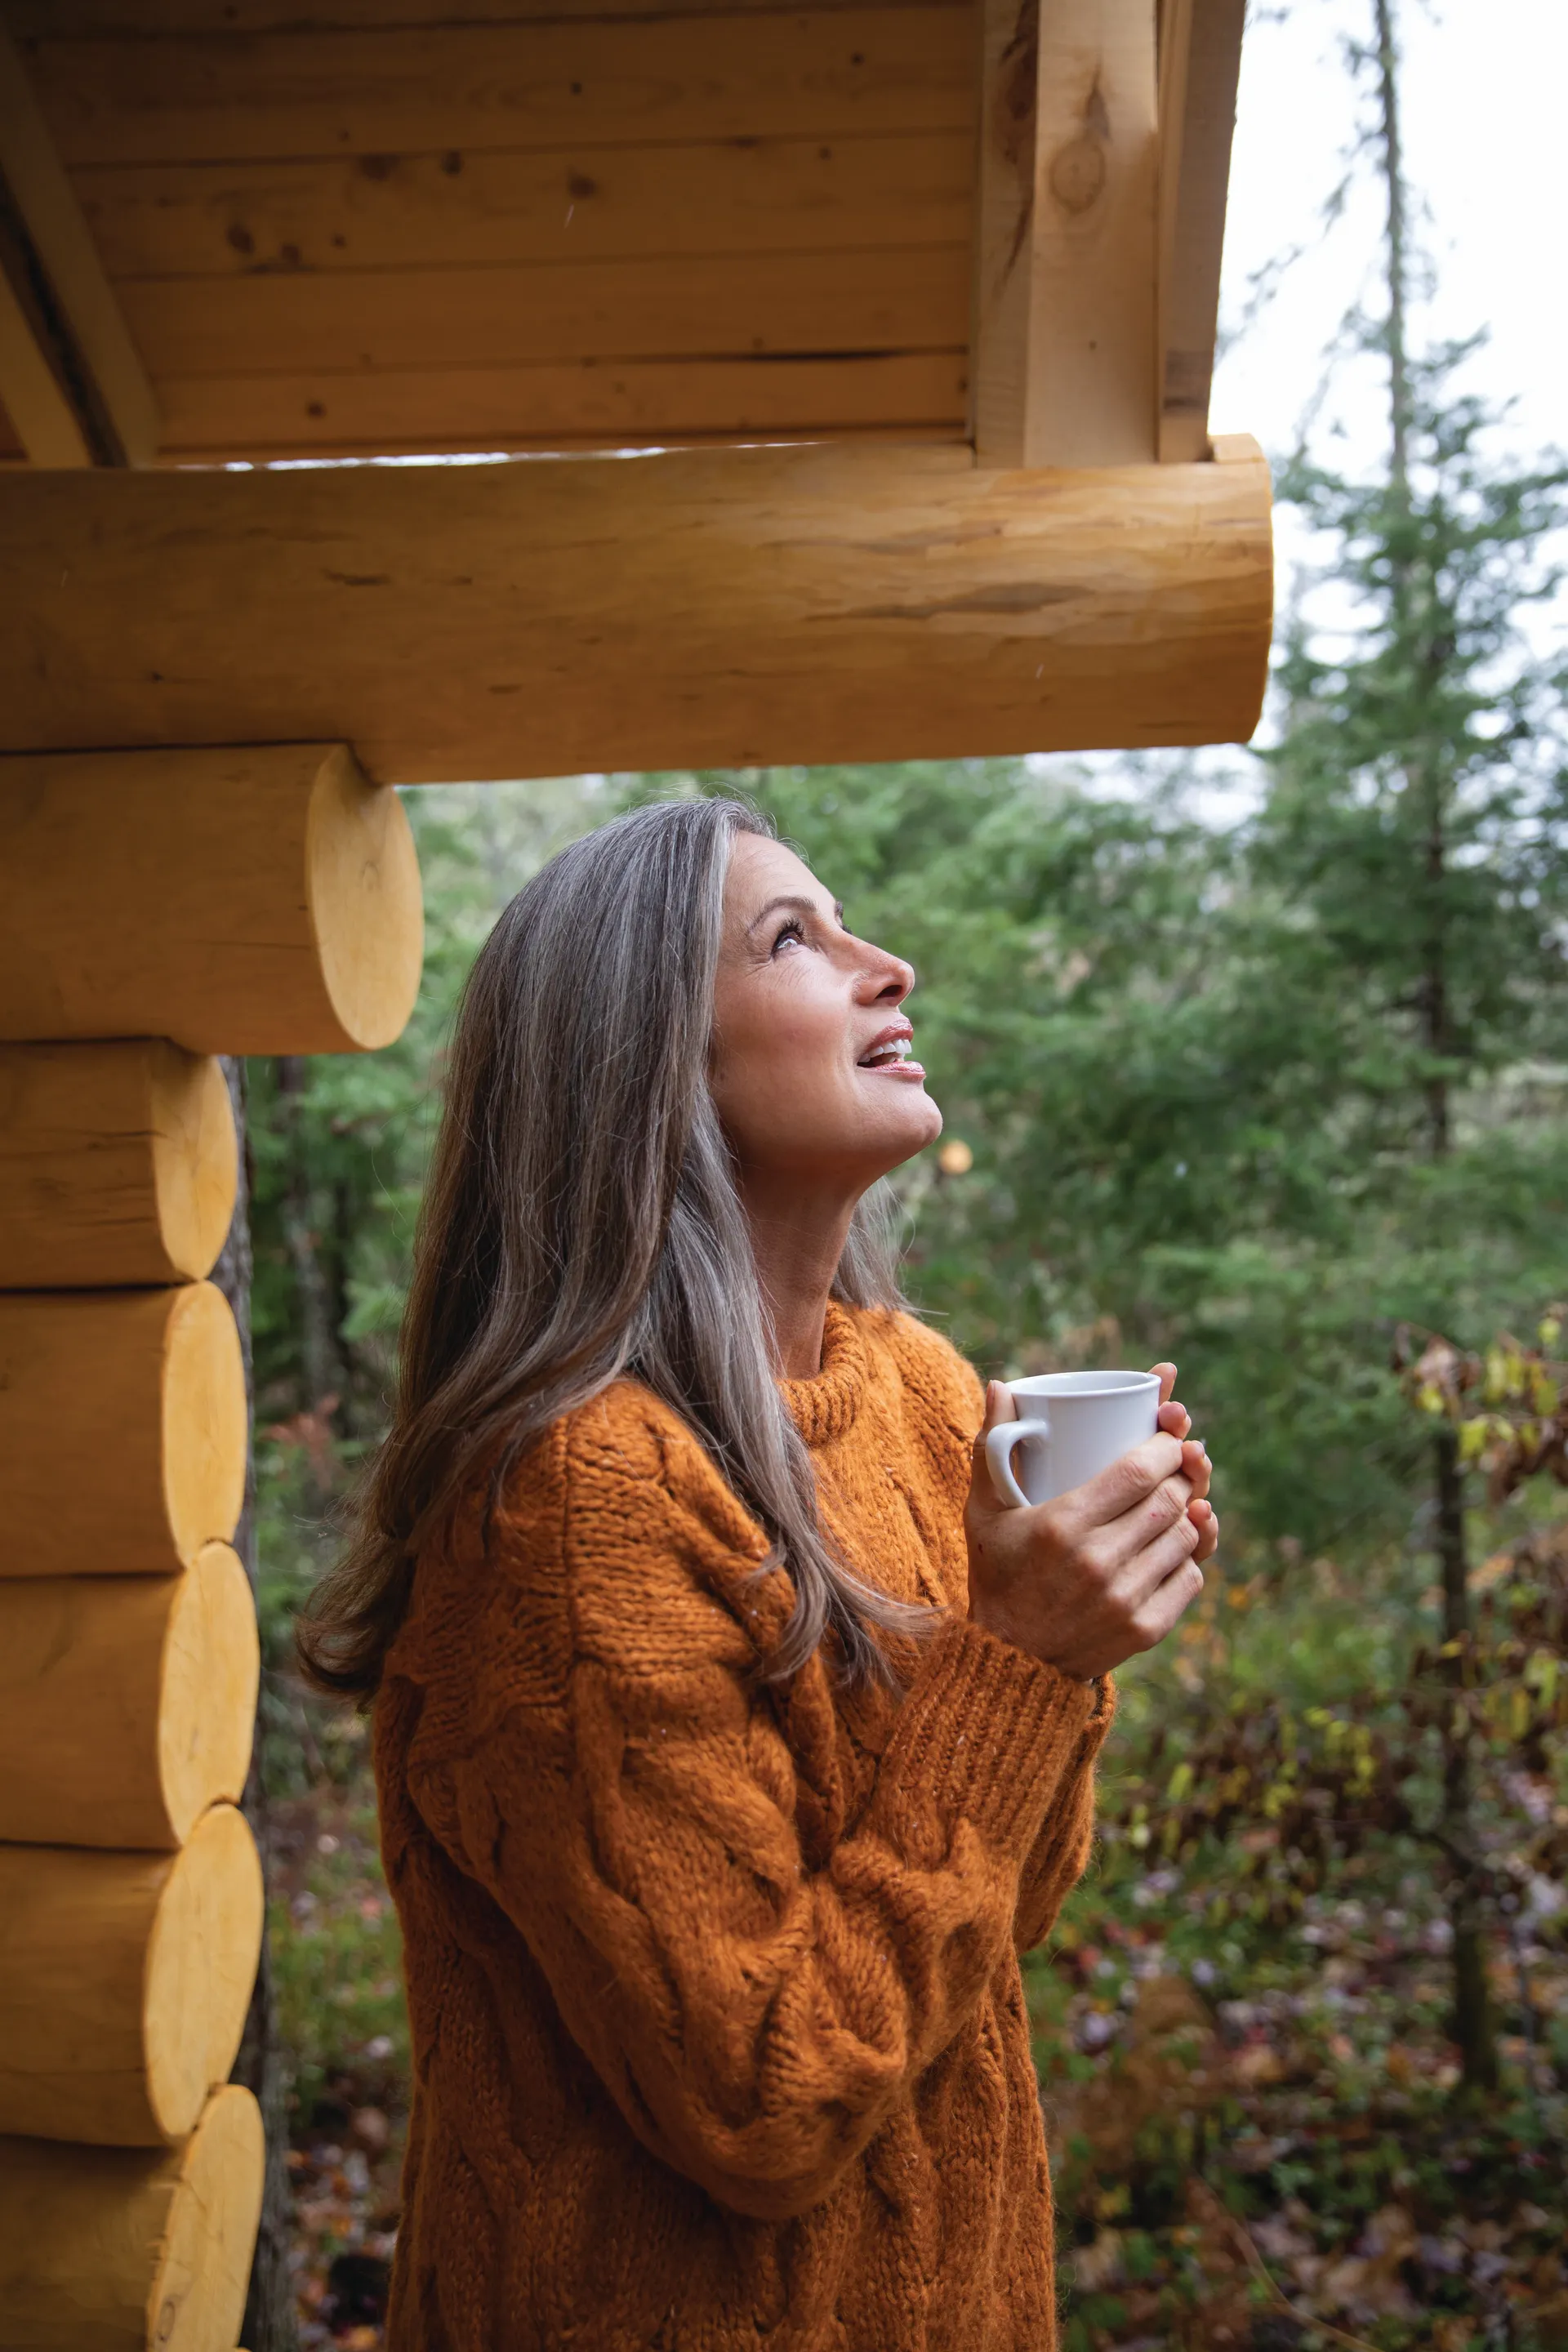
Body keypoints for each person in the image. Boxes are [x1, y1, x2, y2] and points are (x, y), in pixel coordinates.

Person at [300, 797, 1217, 2351]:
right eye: (794, 939)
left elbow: (1000, 1914)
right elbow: (765, 2099)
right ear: (649, 1062)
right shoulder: (576, 1501)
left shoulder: (920, 1393)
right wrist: (1023, 1666)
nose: (888, 965)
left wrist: (1063, 1645)